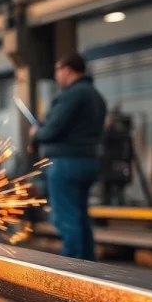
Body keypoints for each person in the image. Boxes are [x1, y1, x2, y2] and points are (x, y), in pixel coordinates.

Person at [31, 53, 107, 261]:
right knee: (80, 217)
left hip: (66, 163)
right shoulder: (96, 96)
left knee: (66, 218)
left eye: (57, 70)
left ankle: (73, 268)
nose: (56, 76)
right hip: (89, 162)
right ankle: (88, 266)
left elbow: (52, 130)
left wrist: (36, 132)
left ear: (66, 70)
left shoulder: (72, 95)